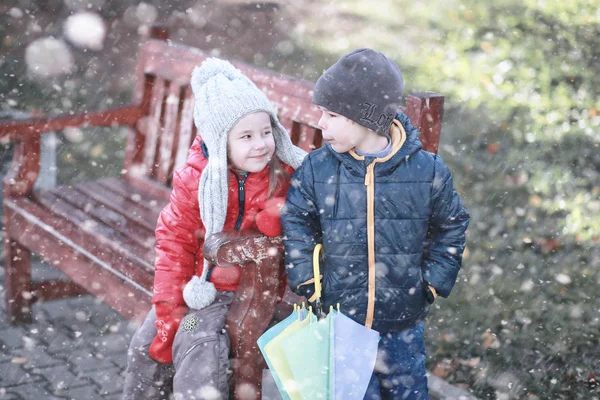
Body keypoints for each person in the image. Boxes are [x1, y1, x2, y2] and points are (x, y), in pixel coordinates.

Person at [281, 48, 470, 400]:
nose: (321, 122)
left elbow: (452, 226)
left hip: (403, 321)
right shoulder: (318, 169)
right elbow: (297, 220)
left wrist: (430, 283)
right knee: (351, 393)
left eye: (332, 113)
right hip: (343, 318)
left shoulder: (426, 171)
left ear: (366, 117)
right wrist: (309, 279)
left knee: (407, 391)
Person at [122, 58, 306, 400]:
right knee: (147, 344)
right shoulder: (196, 179)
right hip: (198, 287)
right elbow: (174, 241)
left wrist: (281, 216)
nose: (261, 144)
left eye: (266, 132)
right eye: (247, 136)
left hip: (245, 292)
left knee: (199, 347)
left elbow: (311, 215)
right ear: (220, 142)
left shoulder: (282, 175)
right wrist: (168, 310)